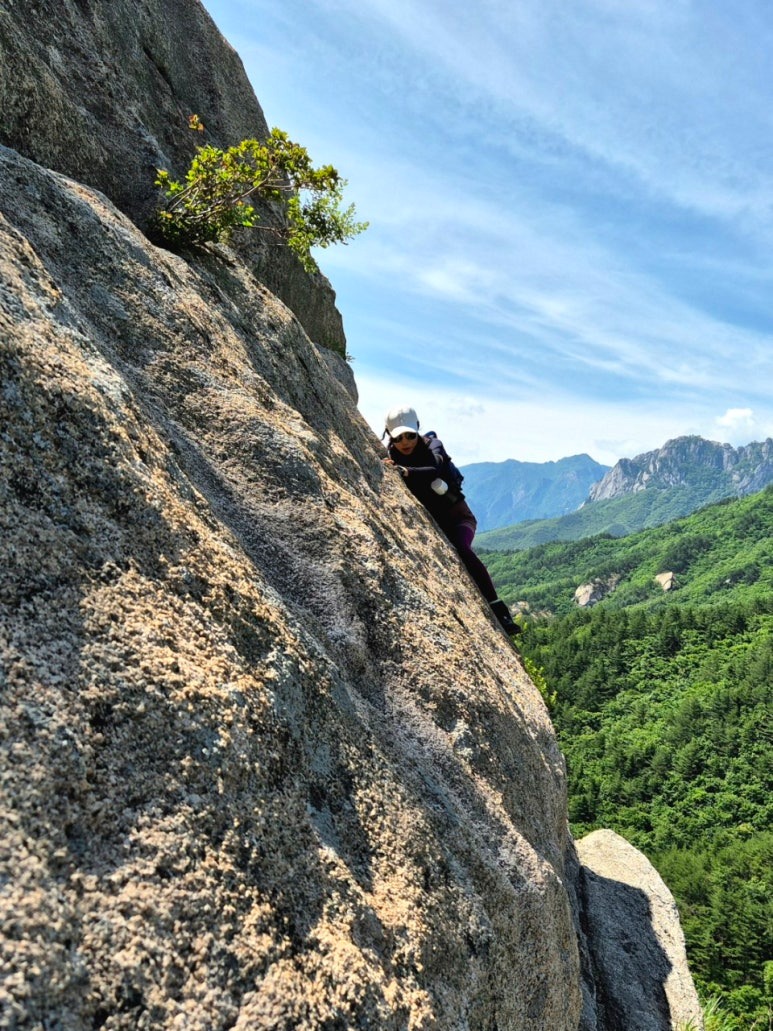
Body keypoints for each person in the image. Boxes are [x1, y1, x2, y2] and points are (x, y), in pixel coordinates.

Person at [383, 404, 520, 636]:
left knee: (462, 550)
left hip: (459, 518)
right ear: (389, 436)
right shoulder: (391, 456)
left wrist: (406, 471)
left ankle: (500, 612)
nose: (405, 442)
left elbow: (435, 467)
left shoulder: (433, 446)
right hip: (435, 522)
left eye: (410, 435)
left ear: (418, 430)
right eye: (398, 437)